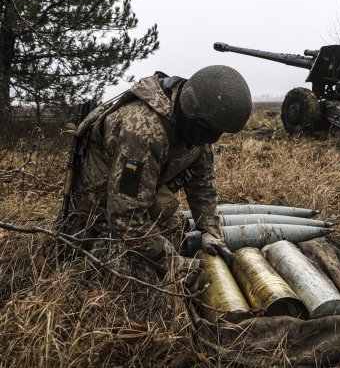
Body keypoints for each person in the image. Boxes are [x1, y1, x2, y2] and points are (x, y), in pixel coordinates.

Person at [63, 65, 252, 280]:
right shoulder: (143, 130)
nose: (213, 139)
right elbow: (126, 218)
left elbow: (202, 184)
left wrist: (209, 231)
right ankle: (95, 247)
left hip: (136, 198)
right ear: (194, 116)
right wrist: (173, 263)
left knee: (176, 236)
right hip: (100, 211)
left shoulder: (196, 126)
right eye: (210, 132)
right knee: (141, 276)